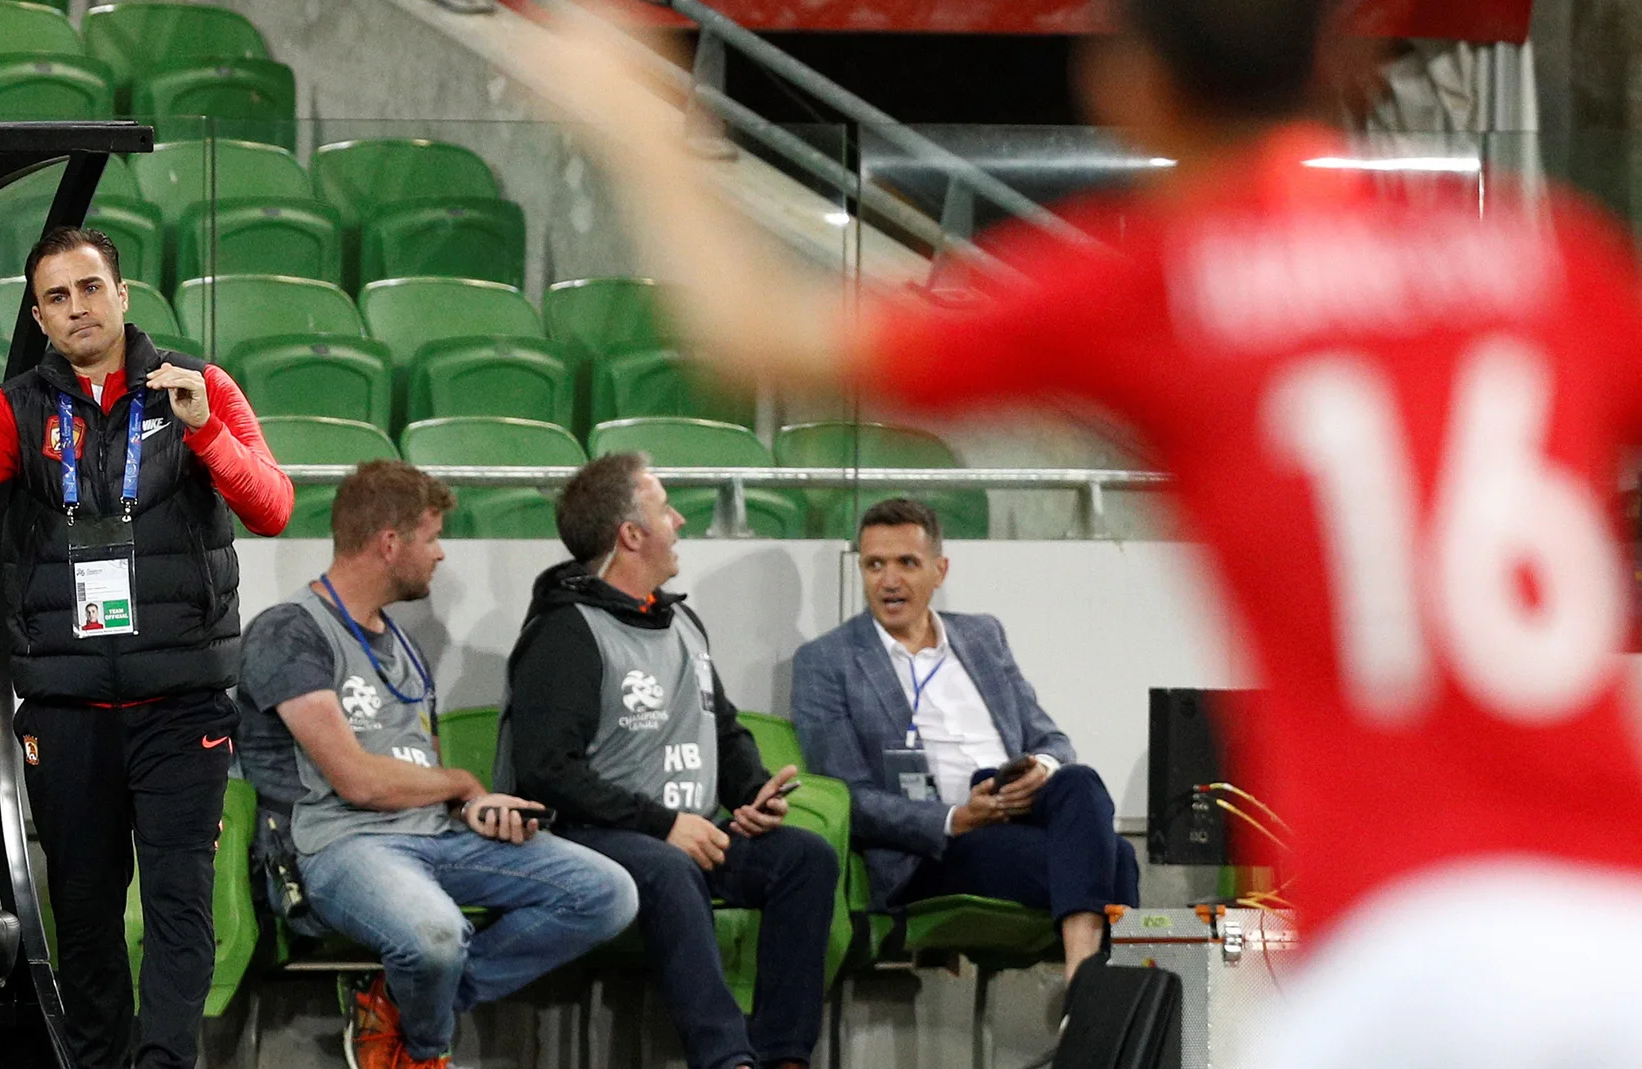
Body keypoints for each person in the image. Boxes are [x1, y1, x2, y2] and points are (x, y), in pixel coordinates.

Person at [528, 1, 1642, 1065]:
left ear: (1129, 84)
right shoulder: (1558, 264)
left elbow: (755, 331)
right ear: (1350, 63)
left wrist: (635, 120)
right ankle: (1088, 984)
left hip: (1408, 936)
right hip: (1610, 911)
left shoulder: (1171, 278)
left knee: (1084, 807)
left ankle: (1085, 990)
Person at [0, 226, 293, 1069]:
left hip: (181, 704)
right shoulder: (19, 406)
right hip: (66, 706)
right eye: (57, 296)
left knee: (177, 902)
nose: (77, 307)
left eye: (90, 288)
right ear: (39, 315)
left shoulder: (198, 389)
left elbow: (271, 504)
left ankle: (164, 1061)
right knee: (84, 911)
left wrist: (206, 432)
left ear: (123, 296)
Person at [235, 460, 638, 1069]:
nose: (442, 555)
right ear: (389, 543)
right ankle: (423, 1050)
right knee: (434, 939)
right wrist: (463, 784)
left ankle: (397, 1004)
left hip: (434, 833)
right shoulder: (288, 632)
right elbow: (357, 780)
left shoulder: (398, 641)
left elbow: (415, 763)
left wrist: (474, 807)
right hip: (336, 845)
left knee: (608, 894)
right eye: (431, 537)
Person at [498, 452, 839, 1069]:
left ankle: (784, 1055)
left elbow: (722, 726)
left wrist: (755, 793)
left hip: (688, 831)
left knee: (805, 858)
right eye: (665, 508)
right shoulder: (564, 633)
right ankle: (725, 1058)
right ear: (631, 534)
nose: (679, 520)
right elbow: (546, 770)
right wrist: (663, 825)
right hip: (597, 836)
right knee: (667, 868)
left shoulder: (682, 620)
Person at [791, 498, 1137, 985]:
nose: (889, 581)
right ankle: (1102, 1002)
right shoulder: (827, 661)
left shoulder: (981, 635)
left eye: (907, 563)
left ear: (939, 570)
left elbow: (1051, 738)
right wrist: (957, 818)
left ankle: (1084, 986)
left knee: (1077, 779)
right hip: (939, 848)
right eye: (875, 565)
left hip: (1022, 807)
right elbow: (848, 797)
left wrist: (1038, 768)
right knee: (1118, 859)